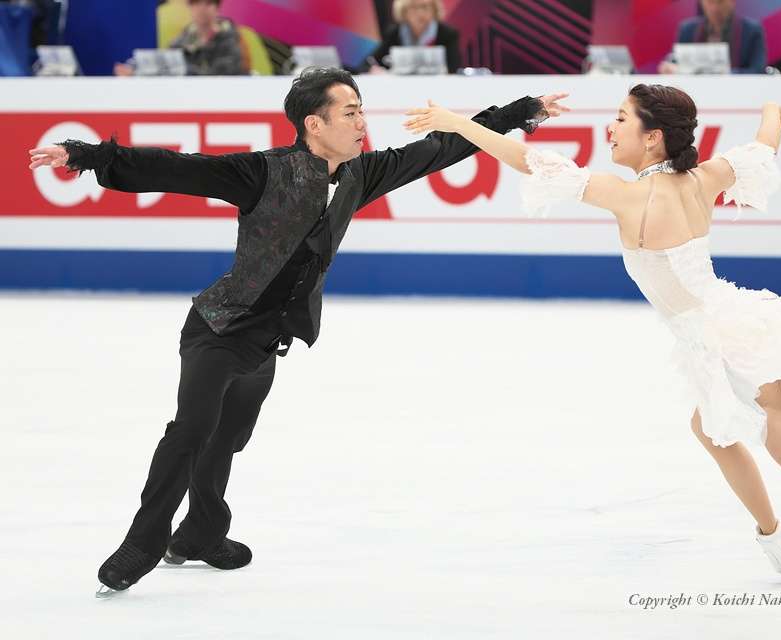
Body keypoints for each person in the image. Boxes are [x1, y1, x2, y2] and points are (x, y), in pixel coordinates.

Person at [28, 66, 568, 595]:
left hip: (268, 339)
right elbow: (176, 168)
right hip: (220, 327)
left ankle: (200, 534)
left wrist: (522, 112)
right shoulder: (263, 171)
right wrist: (86, 155)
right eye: (350, 113)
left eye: (362, 112)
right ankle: (143, 545)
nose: (362, 124)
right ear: (315, 123)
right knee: (192, 432)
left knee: (226, 441)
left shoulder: (362, 173)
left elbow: (443, 148)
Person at [401, 86, 781, 609]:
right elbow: (762, 147)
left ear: (653, 139)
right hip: (713, 337)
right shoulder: (703, 178)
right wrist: (771, 109)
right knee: (712, 430)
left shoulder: (630, 196)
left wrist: (456, 121)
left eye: (621, 119)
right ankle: (775, 539)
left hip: (738, 338)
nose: (610, 128)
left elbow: (527, 159)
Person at [115, 0, 246, 76]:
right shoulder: (186, 38)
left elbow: (222, 74)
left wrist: (184, 70)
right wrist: (135, 68)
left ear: (217, 8)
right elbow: (165, 59)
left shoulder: (229, 38)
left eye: (207, 3)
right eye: (196, 3)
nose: (201, 9)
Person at [658, 0, 767, 75]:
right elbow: (674, 60)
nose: (715, 8)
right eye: (710, 2)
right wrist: (668, 67)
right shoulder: (688, 29)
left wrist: (726, 74)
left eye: (720, 2)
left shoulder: (751, 30)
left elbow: (758, 70)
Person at [362, 0, 461, 74]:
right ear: (404, 11)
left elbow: (455, 68)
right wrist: (373, 69)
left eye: (425, 7)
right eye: (413, 7)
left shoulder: (448, 34)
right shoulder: (394, 33)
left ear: (434, 10)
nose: (420, 13)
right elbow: (369, 62)